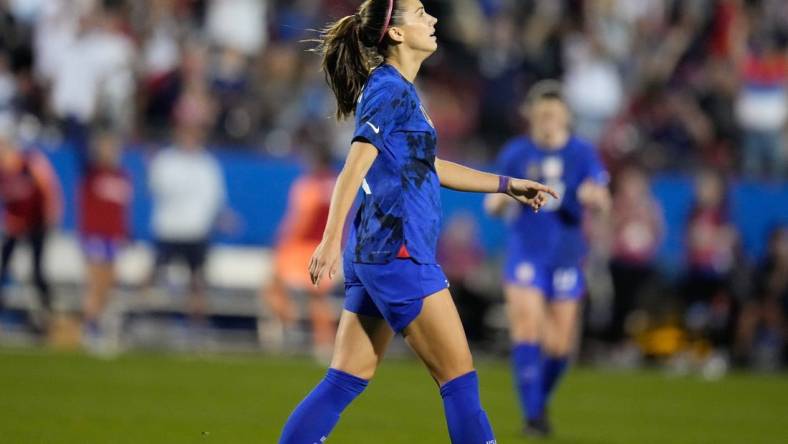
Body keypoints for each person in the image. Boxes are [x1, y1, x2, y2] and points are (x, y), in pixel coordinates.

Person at [278, 1, 558, 443]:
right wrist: (329, 239)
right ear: (396, 33)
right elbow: (354, 165)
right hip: (400, 252)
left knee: (345, 379)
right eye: (422, 13)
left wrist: (505, 184)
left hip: (376, 254)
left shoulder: (399, 91)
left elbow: (428, 165)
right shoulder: (391, 89)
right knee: (460, 381)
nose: (433, 20)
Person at [484, 80, 610, 437]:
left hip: (567, 255)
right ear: (531, 117)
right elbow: (495, 197)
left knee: (559, 346)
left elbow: (602, 197)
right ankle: (534, 418)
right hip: (526, 251)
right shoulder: (516, 153)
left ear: (566, 116)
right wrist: (498, 200)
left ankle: (537, 404)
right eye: (541, 115)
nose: (548, 121)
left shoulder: (582, 154)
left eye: (553, 114)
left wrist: (594, 196)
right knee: (526, 327)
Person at [259, 148, 337, 359]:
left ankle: (288, 325)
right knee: (318, 297)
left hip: (300, 247)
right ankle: (324, 342)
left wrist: (281, 241)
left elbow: (299, 219)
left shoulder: (307, 185)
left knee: (273, 285)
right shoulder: (337, 185)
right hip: (324, 246)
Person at [148, 118, 226, 327]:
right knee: (154, 273)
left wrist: (218, 217)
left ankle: (197, 326)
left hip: (196, 229)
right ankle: (143, 315)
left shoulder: (207, 164)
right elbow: (157, 188)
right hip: (169, 228)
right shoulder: (165, 160)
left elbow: (215, 197)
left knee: (197, 280)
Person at [0, 117, 62, 329]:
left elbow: (49, 189)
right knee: (3, 266)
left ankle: (48, 312)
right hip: (16, 223)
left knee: (37, 270)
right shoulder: (3, 170)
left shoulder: (30, 163)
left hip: (37, 222)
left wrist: (51, 216)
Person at [76, 129, 132, 350]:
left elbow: (122, 210)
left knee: (109, 284)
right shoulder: (92, 173)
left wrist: (124, 233)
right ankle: (90, 329)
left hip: (113, 237)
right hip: (95, 236)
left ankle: (97, 324)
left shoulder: (123, 176)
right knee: (96, 283)